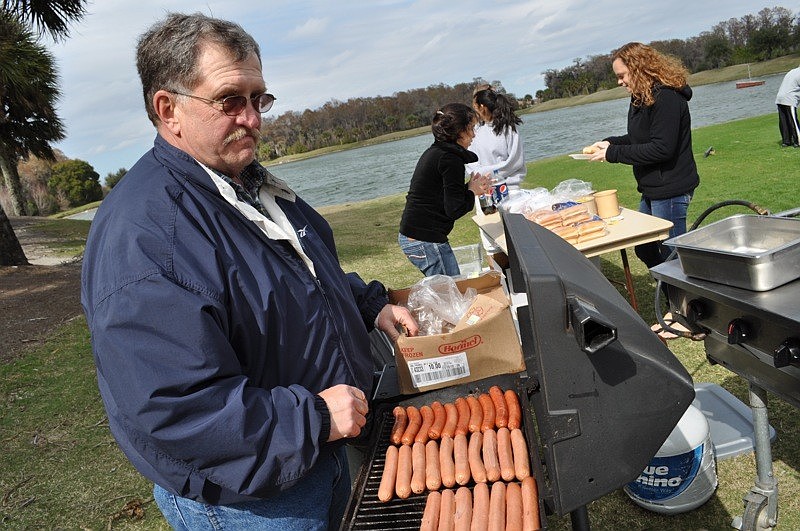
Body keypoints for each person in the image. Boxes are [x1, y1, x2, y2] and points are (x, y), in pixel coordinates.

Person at [80, 13, 418, 530]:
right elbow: (174, 407)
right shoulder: (147, 235)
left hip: (320, 454)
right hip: (252, 500)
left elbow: (302, 277)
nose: (253, 119)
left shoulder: (244, 184)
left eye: (259, 99)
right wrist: (313, 419)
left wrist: (370, 307)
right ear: (168, 109)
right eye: (230, 100)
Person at [587, 42, 700, 269]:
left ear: (639, 68)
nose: (619, 82)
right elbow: (639, 137)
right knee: (645, 247)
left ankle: (686, 302)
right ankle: (669, 293)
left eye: (622, 76)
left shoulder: (666, 98)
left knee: (673, 256)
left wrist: (613, 153)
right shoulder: (641, 96)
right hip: (652, 189)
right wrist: (610, 143)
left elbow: (661, 148)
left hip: (670, 189)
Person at [398, 103, 493, 276]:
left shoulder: (439, 152)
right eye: (471, 128)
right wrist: (472, 190)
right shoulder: (450, 159)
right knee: (450, 294)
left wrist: (471, 188)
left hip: (416, 236)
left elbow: (442, 197)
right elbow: (454, 209)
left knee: (448, 292)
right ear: (459, 131)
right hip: (424, 238)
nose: (473, 134)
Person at [466, 85, 526, 263]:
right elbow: (470, 164)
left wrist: (487, 172)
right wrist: (485, 175)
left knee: (516, 239)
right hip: (485, 193)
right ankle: (504, 285)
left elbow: (514, 162)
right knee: (492, 242)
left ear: (482, 107)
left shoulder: (508, 128)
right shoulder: (475, 133)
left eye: (474, 105)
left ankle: (522, 282)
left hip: (509, 192)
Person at [775, 65, 800, 147]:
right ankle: (798, 141)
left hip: (780, 98)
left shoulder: (792, 71)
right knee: (793, 121)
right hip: (789, 98)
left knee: (784, 121)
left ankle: (786, 141)